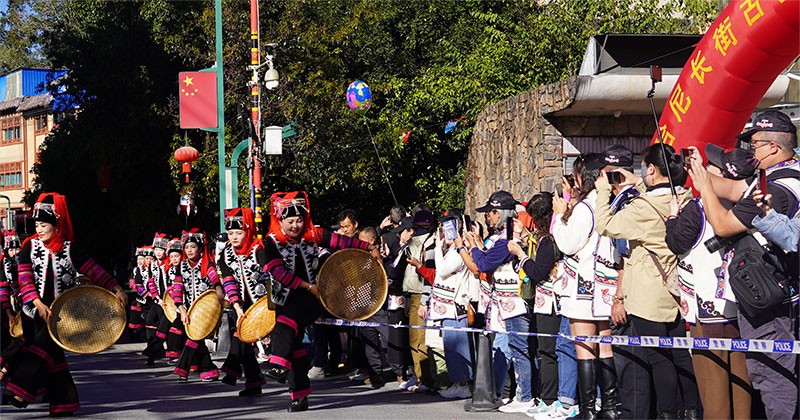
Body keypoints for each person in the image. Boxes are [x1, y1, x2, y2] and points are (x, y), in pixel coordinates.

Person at [687, 110, 799, 420]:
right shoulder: (781, 176)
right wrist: (700, 171)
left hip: (773, 302)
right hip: (770, 295)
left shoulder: (781, 187)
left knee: (773, 377)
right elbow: (737, 191)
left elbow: (723, 225)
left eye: (754, 145)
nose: (750, 153)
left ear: (773, 148)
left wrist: (705, 188)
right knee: (765, 374)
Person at [595, 144, 699, 420]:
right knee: (679, 355)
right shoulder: (684, 198)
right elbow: (659, 194)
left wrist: (604, 190)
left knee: (657, 356)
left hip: (646, 291)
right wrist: (640, 182)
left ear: (651, 169)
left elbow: (606, 225)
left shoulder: (642, 207)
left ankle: (666, 413)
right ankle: (691, 411)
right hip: (674, 287)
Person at [3, 193, 126, 416]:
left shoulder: (70, 249)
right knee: (50, 355)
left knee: (45, 351)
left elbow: (94, 270)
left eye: (43, 225)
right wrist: (37, 302)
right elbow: (24, 278)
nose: (39, 230)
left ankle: (22, 388)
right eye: (37, 225)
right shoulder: (29, 248)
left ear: (56, 224)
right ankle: (62, 402)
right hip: (34, 311)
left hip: (63, 314)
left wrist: (116, 288)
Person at [259, 191, 377, 411]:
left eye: (299, 220)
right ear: (280, 220)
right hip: (288, 296)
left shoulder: (314, 234)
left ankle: (278, 364)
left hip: (315, 297)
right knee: (294, 348)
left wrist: (369, 247)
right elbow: (278, 273)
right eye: (290, 221)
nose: (295, 225)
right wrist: (306, 286)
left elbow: (341, 241)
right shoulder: (271, 242)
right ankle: (299, 396)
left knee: (288, 319)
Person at [666, 145, 754, 420]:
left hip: (707, 309)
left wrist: (671, 217)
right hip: (745, 303)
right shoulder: (749, 203)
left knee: (712, 383)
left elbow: (676, 243)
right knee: (742, 382)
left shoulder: (699, 206)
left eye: (712, 167)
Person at [552, 152, 619, 420]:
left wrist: (559, 217)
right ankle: (611, 407)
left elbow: (568, 244)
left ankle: (589, 409)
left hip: (583, 286)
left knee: (584, 347)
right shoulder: (609, 203)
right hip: (606, 284)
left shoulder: (585, 207)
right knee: (605, 345)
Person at [507, 193, 578, 420]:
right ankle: (552, 398)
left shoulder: (549, 239)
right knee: (547, 350)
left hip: (551, 303)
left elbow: (538, 271)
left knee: (548, 351)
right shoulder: (547, 237)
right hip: (544, 301)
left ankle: (551, 399)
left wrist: (521, 256)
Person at [467, 190, 534, 414]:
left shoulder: (508, 238)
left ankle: (524, 396)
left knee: (519, 349)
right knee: (513, 348)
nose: (488, 218)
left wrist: (473, 247)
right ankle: (517, 394)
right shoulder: (502, 236)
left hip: (515, 303)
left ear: (499, 213)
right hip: (503, 302)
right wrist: (478, 244)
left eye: (491, 213)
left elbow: (484, 264)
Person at [425, 209, 476, 400]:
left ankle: (462, 384)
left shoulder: (458, 251)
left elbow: (443, 269)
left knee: (457, 347)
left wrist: (438, 247)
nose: (443, 232)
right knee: (450, 347)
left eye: (447, 226)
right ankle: (458, 383)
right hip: (444, 307)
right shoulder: (451, 250)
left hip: (455, 307)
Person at [217, 208, 268, 397]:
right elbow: (228, 281)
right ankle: (254, 383)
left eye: (239, 232)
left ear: (247, 231)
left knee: (241, 337)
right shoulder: (226, 254)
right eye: (231, 233)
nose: (234, 237)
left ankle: (232, 369)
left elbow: (270, 274)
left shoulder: (258, 249)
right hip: (242, 304)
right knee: (243, 340)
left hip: (263, 303)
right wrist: (237, 306)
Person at [172, 229, 222, 383]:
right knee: (195, 338)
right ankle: (209, 369)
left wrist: (219, 290)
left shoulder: (207, 264)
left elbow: (215, 280)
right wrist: (181, 309)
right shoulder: (181, 266)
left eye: (192, 247)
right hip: (189, 310)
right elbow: (177, 288)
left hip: (205, 311)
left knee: (194, 338)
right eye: (186, 248)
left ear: (200, 248)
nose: (189, 250)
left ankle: (182, 368)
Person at [401, 210, 437, 393]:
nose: (418, 230)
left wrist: (424, 301)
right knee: (413, 340)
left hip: (423, 295)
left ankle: (425, 380)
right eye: (416, 226)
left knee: (421, 340)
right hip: (412, 294)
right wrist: (408, 299)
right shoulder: (411, 244)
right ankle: (419, 377)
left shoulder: (431, 244)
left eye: (423, 226)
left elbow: (429, 274)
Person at [355, 226, 390, 388]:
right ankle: (375, 373)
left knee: (389, 337)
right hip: (364, 305)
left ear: (371, 241)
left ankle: (400, 371)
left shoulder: (384, 252)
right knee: (369, 341)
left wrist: (379, 259)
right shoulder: (358, 256)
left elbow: (385, 275)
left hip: (380, 304)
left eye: (361, 240)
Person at [142, 233, 171, 365]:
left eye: (161, 249)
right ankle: (153, 351)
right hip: (158, 300)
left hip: (171, 302)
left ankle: (154, 352)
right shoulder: (152, 266)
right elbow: (151, 283)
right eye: (156, 250)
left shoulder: (170, 263)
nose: (158, 252)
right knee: (150, 321)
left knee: (165, 327)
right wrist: (157, 298)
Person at [164, 238, 185, 363]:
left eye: (176, 256)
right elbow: (170, 287)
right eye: (172, 257)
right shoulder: (170, 270)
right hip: (177, 304)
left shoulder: (185, 267)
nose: (174, 259)